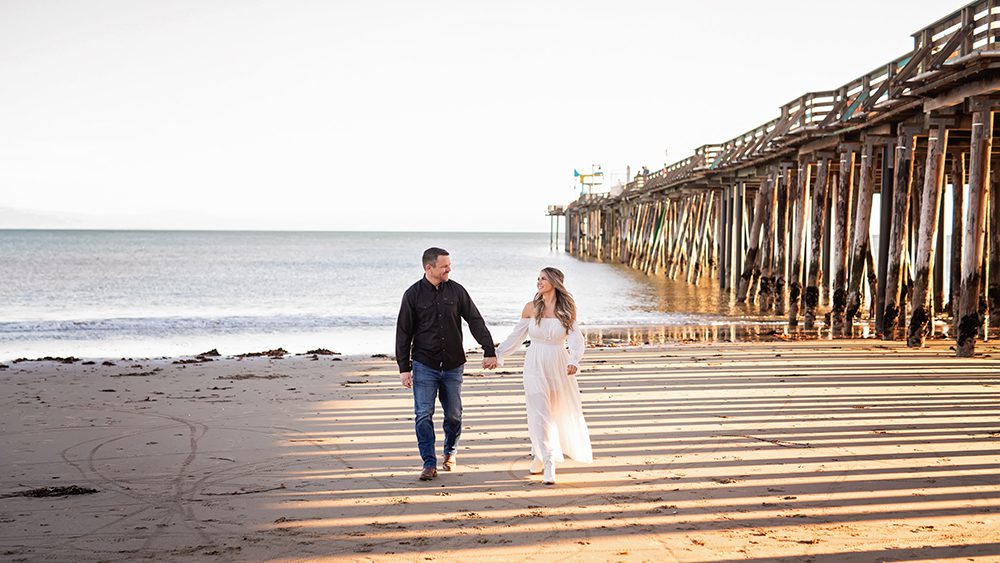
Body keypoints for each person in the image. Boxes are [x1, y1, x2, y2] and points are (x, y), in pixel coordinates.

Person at [396, 247, 498, 481]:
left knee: (454, 415)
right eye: (444, 266)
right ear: (428, 268)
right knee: (423, 414)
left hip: (453, 364)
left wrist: (489, 349)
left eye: (449, 265)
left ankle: (450, 452)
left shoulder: (457, 291)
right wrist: (404, 368)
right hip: (424, 364)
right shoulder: (412, 295)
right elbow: (403, 333)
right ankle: (428, 463)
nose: (449, 269)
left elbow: (475, 320)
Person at [495, 267, 592, 484]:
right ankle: (549, 461)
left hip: (558, 362)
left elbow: (576, 339)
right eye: (537, 278)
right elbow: (516, 336)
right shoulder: (530, 307)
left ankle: (538, 454)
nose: (539, 282)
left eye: (544, 279)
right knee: (540, 412)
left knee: (554, 412)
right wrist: (498, 354)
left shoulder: (566, 309)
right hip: (534, 363)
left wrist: (574, 360)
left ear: (555, 282)